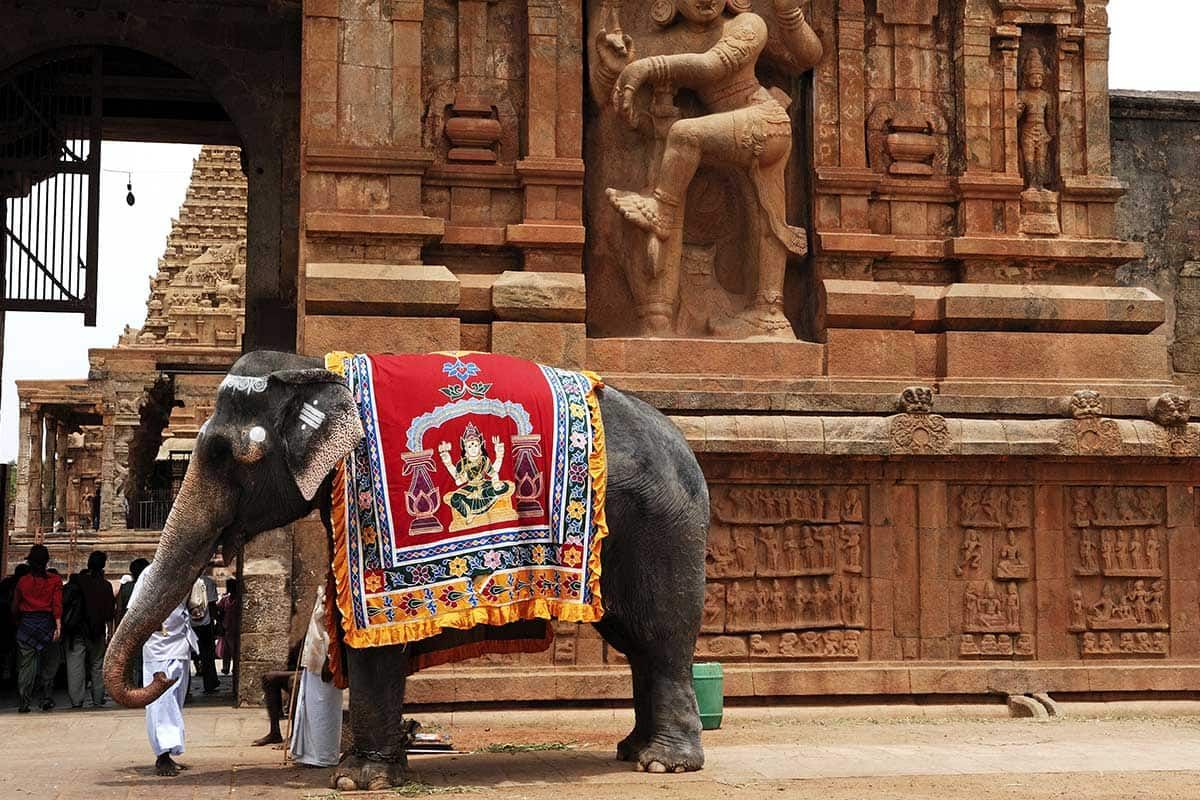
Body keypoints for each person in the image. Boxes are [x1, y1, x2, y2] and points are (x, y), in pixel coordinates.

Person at [131, 562, 198, 777]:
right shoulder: (150, 574)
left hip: (181, 642)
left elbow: (193, 606)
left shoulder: (186, 572)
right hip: (158, 645)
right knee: (161, 701)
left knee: (176, 698)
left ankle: (170, 748)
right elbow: (134, 609)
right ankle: (162, 754)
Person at [289, 585, 343, 767]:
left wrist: (330, 659)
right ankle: (309, 754)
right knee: (310, 708)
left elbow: (332, 627)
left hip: (324, 659)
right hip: (313, 657)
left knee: (324, 709)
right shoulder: (322, 589)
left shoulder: (334, 593)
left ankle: (323, 756)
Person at [11, 545, 63, 712]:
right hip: (47, 623)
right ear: (47, 562)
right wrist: (58, 625)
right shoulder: (54, 580)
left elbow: (15, 606)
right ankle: (46, 697)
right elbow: (57, 605)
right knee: (49, 664)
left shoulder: (23, 581)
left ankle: (24, 700)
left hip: (27, 624)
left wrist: (18, 622)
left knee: (26, 665)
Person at [66, 551, 116, 708]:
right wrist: (110, 632)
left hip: (77, 629)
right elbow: (109, 613)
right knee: (97, 664)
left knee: (75, 664)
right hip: (97, 630)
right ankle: (98, 698)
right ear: (103, 566)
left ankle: (76, 700)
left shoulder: (77, 581)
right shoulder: (105, 585)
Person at [114, 558, 150, 688]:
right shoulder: (151, 588)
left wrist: (117, 630)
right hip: (148, 628)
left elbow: (119, 610)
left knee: (132, 660)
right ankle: (143, 684)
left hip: (130, 629)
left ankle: (134, 685)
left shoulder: (126, 588)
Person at [188, 572, 220, 694]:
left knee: (186, 657)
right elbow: (212, 605)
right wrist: (217, 622)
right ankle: (210, 683)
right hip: (205, 624)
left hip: (188, 624)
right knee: (208, 655)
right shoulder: (208, 582)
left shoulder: (183, 580)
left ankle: (185, 688)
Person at [0, 564, 30, 684]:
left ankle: (7, 670)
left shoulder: (6, 583)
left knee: (8, 647)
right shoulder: (25, 585)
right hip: (20, 620)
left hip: (7, 620)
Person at [215, 578, 239, 676]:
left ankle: (235, 667)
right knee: (226, 650)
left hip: (235, 628)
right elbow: (218, 608)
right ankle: (225, 667)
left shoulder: (238, 599)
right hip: (226, 627)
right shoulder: (225, 599)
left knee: (234, 649)